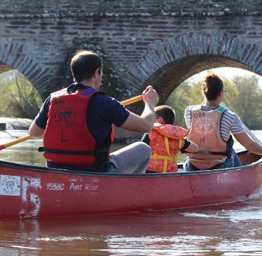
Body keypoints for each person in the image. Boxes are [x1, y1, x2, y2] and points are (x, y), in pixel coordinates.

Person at [29, 49, 159, 174]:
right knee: (143, 149)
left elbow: (34, 132)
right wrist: (150, 103)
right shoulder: (106, 103)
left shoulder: (52, 99)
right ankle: (128, 188)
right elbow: (146, 126)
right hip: (95, 171)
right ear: (97, 73)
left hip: (55, 170)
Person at [184, 73, 262, 170]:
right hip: (218, 166)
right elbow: (250, 146)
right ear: (221, 94)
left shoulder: (189, 112)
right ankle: (238, 177)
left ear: (203, 92)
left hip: (192, 166)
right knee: (231, 151)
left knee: (231, 150)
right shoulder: (230, 116)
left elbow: (203, 115)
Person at [143, 105, 196, 173]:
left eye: (151, 119)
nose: (149, 121)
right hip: (170, 171)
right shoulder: (178, 138)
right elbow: (195, 148)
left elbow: (140, 150)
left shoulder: (150, 133)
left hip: (150, 171)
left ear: (160, 120)